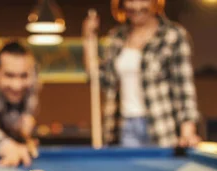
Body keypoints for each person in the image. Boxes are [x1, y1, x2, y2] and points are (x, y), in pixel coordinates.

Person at [82, 0, 202, 148]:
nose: (136, 6)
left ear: (155, 2)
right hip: (123, 127)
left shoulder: (173, 35)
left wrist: (187, 131)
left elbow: (184, 88)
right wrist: (88, 40)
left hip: (161, 127)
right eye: (130, 0)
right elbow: (103, 80)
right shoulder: (116, 37)